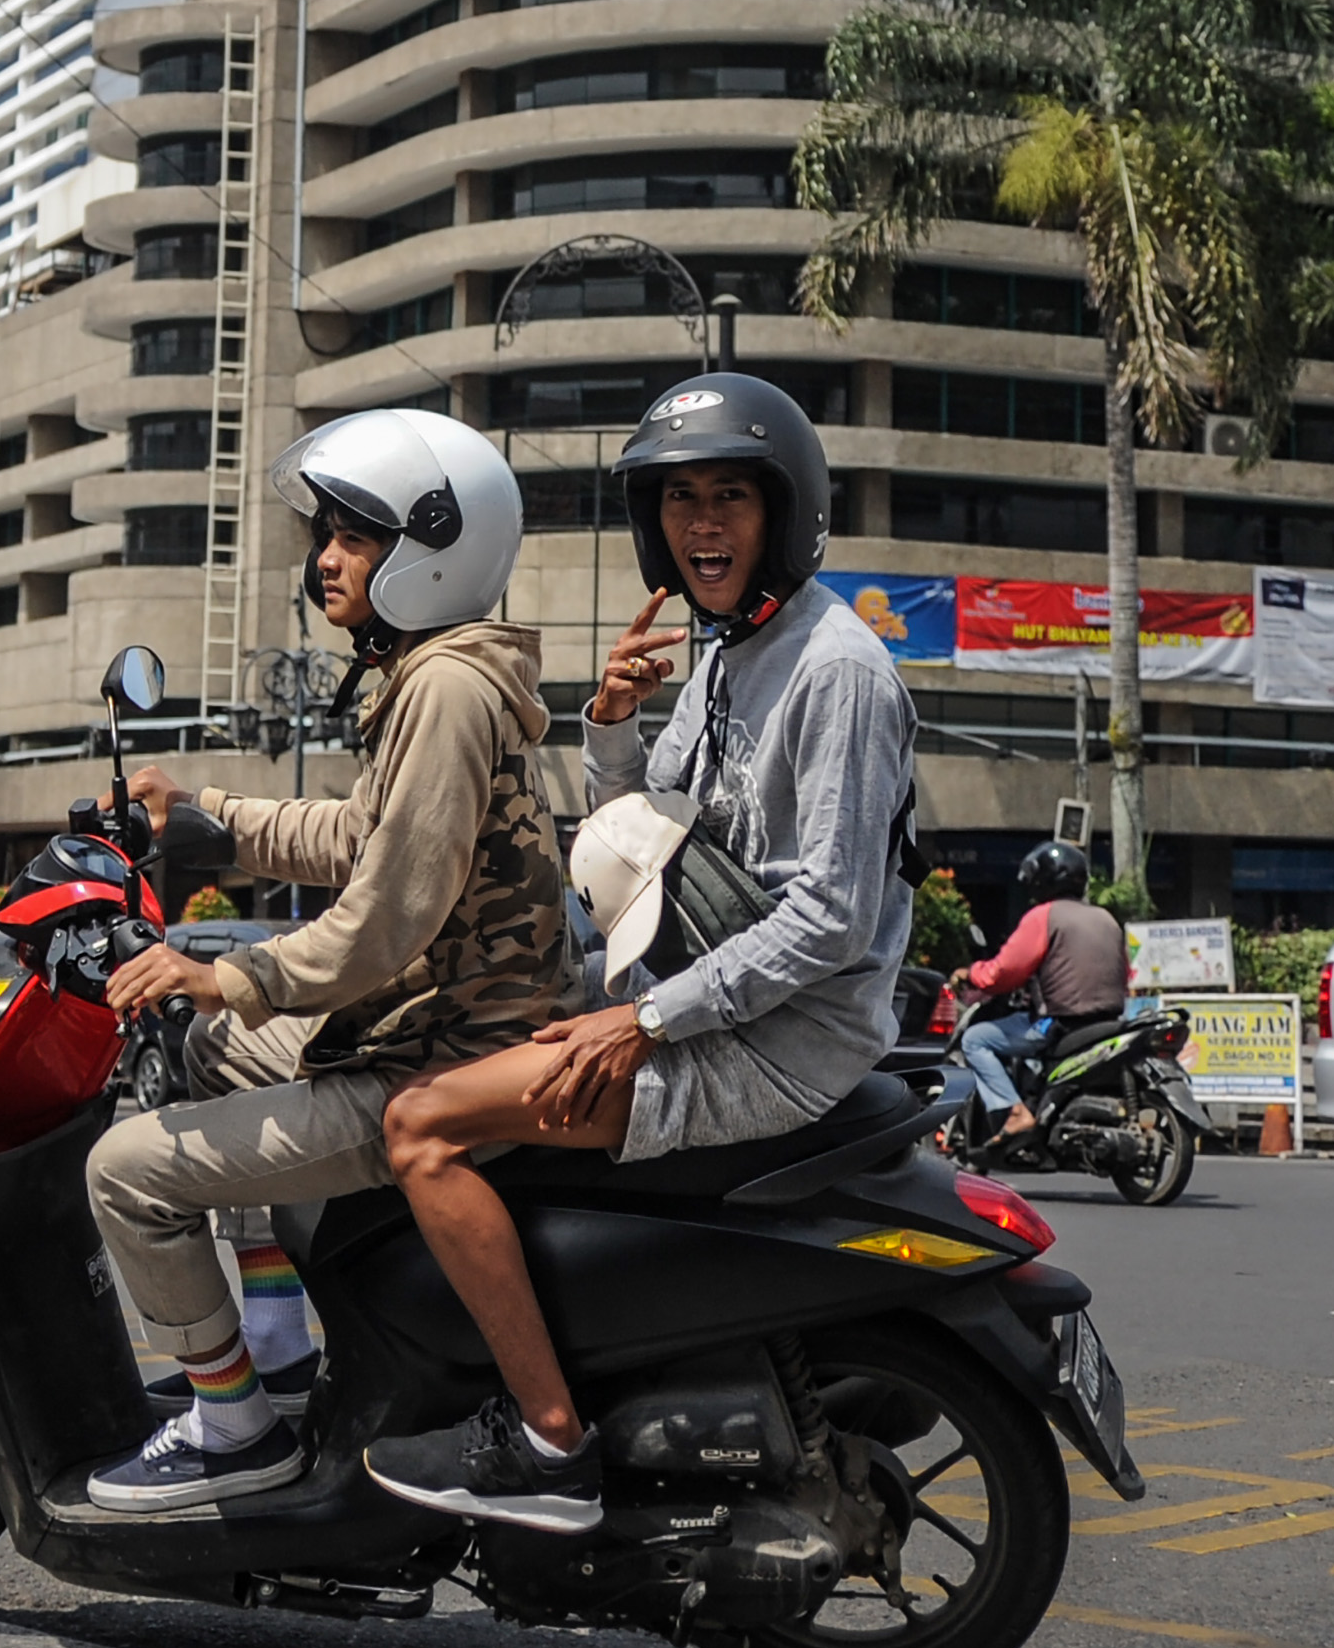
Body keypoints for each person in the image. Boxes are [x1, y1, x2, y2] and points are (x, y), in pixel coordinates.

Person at [368, 375, 914, 1534]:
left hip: (773, 1041)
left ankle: (547, 1440)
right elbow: (636, 836)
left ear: (783, 510)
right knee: (437, 1046)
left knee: (418, 1125)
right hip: (688, 988)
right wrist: (611, 721)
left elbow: (831, 919)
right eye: (678, 498)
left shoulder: (836, 670)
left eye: (728, 496)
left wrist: (643, 1022)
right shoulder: (728, 651)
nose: (700, 523)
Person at [80, 410, 573, 1511]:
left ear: (433, 548)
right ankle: (274, 1339)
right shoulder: (436, 674)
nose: (327, 560)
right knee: (212, 1051)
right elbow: (361, 834)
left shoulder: (446, 691)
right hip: (427, 1028)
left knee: (122, 1170)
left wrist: (228, 974)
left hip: (444, 1059)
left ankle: (231, 1424)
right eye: (328, 535)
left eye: (356, 537)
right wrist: (205, 813)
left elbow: (385, 916)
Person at [953, 837, 1133, 1136]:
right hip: (1108, 1022)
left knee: (975, 1039)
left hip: (1057, 1024)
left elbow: (1004, 972)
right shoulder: (1106, 918)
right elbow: (1125, 972)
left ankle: (1015, 1112)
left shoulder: (1043, 916)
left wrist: (971, 973)